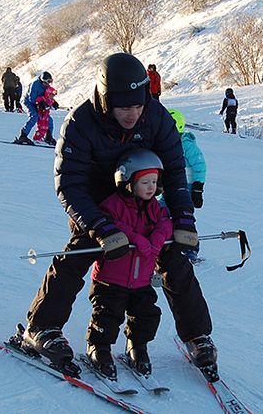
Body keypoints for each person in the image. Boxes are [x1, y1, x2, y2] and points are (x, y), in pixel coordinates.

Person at [7, 53, 217, 379]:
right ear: (106, 100)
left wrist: (185, 222)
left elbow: (175, 173)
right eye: (123, 107)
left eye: (138, 105)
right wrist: (102, 227)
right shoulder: (81, 122)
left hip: (141, 200)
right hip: (97, 203)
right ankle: (42, 328)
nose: (132, 114)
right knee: (81, 250)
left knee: (174, 254)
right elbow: (69, 185)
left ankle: (197, 335)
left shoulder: (156, 118)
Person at [85, 149, 173, 379]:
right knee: (107, 315)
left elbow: (165, 222)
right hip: (111, 278)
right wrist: (136, 238)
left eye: (154, 181)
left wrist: (158, 237)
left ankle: (137, 345)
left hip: (142, 280)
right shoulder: (113, 204)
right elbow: (109, 222)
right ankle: (99, 347)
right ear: (128, 181)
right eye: (145, 182)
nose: (151, 187)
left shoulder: (155, 206)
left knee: (146, 314)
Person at [167, 109, 206, 208]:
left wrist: (198, 188)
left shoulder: (187, 145)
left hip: (186, 186)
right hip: (168, 185)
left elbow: (200, 166)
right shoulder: (165, 144)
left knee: (179, 210)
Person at [14, 71, 53, 145]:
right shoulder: (35, 85)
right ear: (42, 80)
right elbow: (32, 98)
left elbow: (48, 96)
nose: (48, 84)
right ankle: (23, 135)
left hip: (38, 103)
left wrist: (52, 102)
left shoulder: (46, 87)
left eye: (50, 82)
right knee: (34, 116)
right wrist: (42, 103)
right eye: (47, 82)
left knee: (49, 119)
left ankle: (48, 137)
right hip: (28, 102)